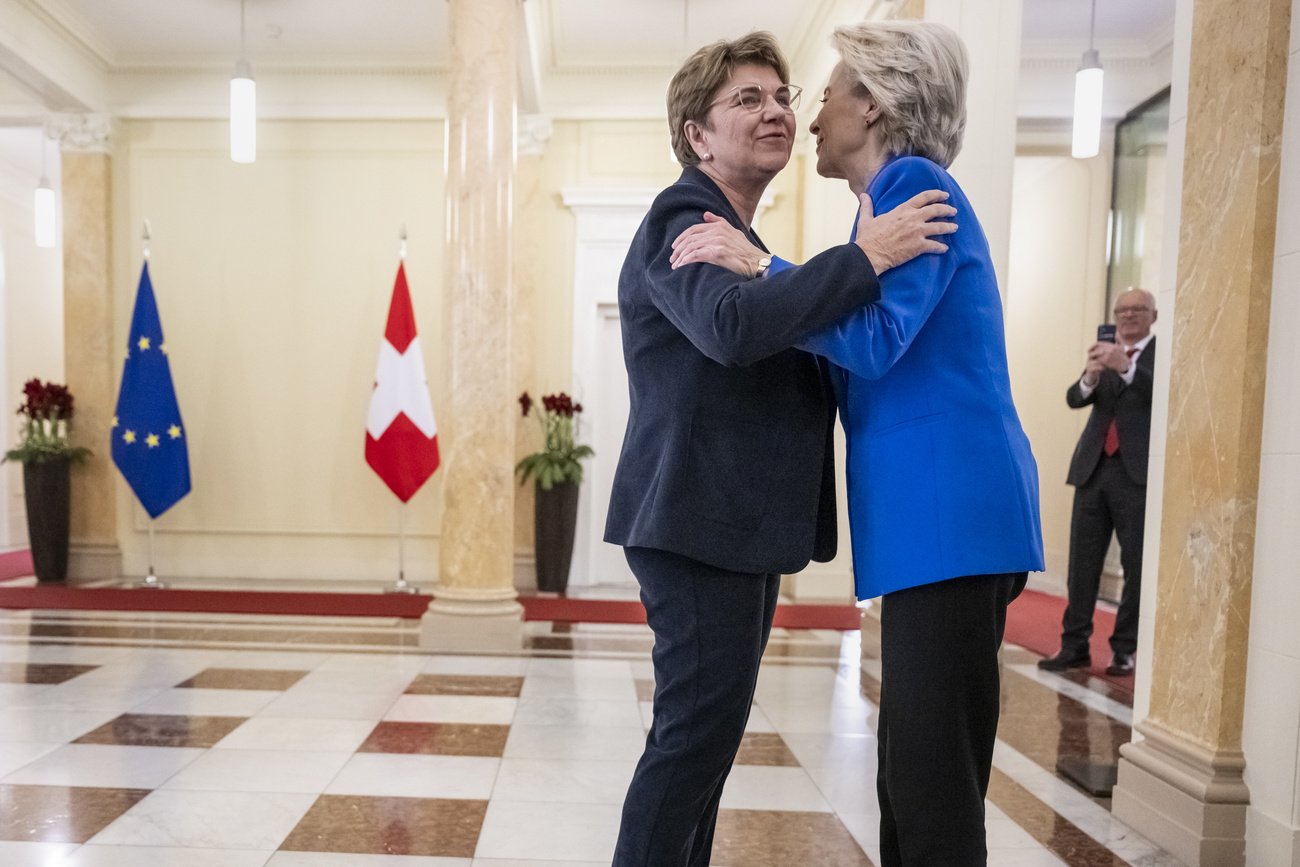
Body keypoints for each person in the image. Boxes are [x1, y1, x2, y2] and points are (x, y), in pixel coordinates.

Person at [670, 21, 1044, 867]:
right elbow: (847, 356)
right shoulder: (874, 218)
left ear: (872, 103)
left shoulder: (916, 185)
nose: (810, 116)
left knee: (931, 778)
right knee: (907, 771)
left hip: (952, 512)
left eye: (829, 92)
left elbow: (872, 343)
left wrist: (764, 269)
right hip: (928, 522)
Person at [603, 31, 959, 867]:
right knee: (690, 742)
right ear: (698, 135)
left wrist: (775, 267)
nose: (777, 113)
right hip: (697, 519)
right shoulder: (683, 217)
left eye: (783, 96)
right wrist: (866, 257)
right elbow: (730, 329)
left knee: (705, 745)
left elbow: (778, 323)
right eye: (748, 100)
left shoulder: (739, 233)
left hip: (733, 524)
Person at [1039, 287, 1157, 677]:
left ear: (1152, 316)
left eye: (1138, 309)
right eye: (1122, 310)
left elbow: (1161, 393)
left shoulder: (1159, 355)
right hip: (1092, 470)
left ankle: (1124, 649)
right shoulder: (1105, 354)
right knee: (1082, 564)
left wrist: (1126, 366)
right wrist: (1091, 375)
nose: (1128, 316)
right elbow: (1075, 398)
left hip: (1135, 473)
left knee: (1136, 565)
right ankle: (1073, 645)